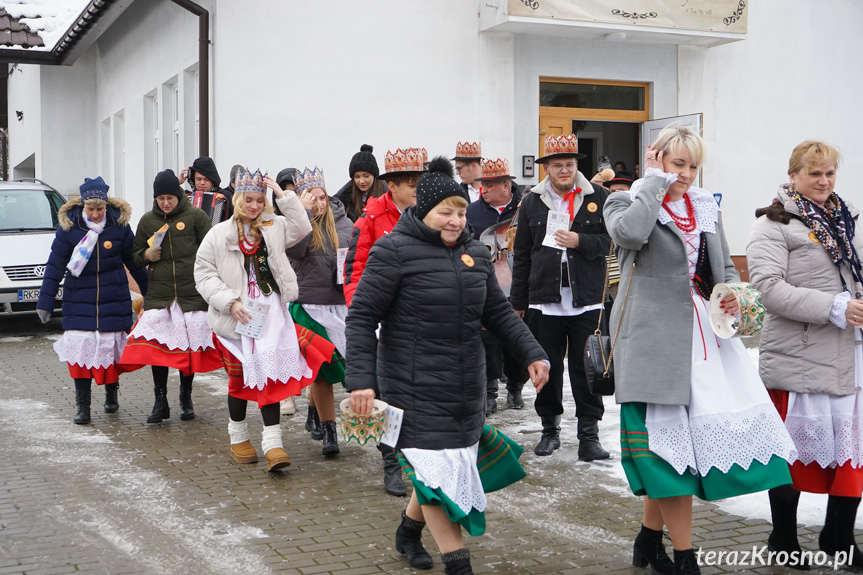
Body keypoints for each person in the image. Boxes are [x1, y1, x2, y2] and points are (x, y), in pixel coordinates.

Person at [605, 126, 796, 575]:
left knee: (679, 451)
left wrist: (731, 292)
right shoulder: (625, 200)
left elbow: (724, 267)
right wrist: (652, 183)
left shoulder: (705, 206)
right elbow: (629, 237)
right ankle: (685, 559)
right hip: (651, 341)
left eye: (693, 166)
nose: (687, 174)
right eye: (678, 164)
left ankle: (649, 542)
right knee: (667, 452)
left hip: (704, 338)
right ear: (656, 161)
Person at [346, 157, 550, 575]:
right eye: (446, 211)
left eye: (461, 210)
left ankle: (407, 531)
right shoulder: (393, 251)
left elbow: (499, 313)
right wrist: (362, 381)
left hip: (464, 387)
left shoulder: (475, 253)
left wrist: (532, 352)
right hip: (412, 385)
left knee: (442, 469)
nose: (456, 220)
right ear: (424, 210)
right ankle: (459, 565)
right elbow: (363, 317)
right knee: (435, 475)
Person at [748, 140, 863, 568]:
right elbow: (769, 289)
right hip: (798, 355)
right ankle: (783, 537)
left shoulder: (847, 220)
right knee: (792, 456)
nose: (824, 181)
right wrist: (834, 307)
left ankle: (839, 537)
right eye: (814, 173)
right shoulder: (773, 224)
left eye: (830, 172)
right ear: (793, 174)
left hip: (848, 354)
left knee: (852, 454)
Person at [194, 169, 334, 472]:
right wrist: (229, 302)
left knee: (270, 374)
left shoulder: (273, 226)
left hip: (270, 312)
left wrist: (285, 196)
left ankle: (273, 444)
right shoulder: (218, 234)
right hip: (236, 314)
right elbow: (203, 274)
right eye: (249, 200)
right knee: (240, 377)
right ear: (239, 199)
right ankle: (239, 436)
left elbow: (301, 227)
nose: (255, 206)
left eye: (260, 200)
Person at [510, 133, 611, 461]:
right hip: (544, 299)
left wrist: (579, 240)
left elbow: (611, 243)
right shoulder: (531, 202)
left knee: (589, 368)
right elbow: (522, 253)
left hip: (588, 299)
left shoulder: (600, 197)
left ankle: (588, 436)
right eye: (557, 165)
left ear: (576, 165)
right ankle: (549, 430)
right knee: (546, 367)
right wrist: (518, 303)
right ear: (547, 168)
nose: (564, 170)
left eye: (569, 164)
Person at [36, 177, 148, 424]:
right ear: (82, 205)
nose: (96, 214)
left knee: (109, 351)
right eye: (91, 209)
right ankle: (83, 406)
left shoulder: (119, 226)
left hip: (113, 296)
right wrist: (45, 301)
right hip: (79, 298)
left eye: (100, 209)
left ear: (106, 206)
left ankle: (111, 394)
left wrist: (150, 293)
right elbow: (55, 265)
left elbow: (133, 262)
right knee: (81, 354)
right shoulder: (69, 228)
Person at [119, 169, 219, 423]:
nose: (165, 202)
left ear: (178, 196)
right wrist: (146, 256)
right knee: (157, 348)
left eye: (169, 197)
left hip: (190, 294)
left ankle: (185, 397)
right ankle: (160, 400)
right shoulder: (147, 221)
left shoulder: (196, 216)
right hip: (160, 295)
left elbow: (212, 249)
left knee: (186, 349)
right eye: (160, 198)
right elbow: (136, 253)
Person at [285, 166, 353, 457]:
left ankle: (314, 412)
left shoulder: (346, 224)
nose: (319, 203)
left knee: (338, 367)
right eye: (312, 198)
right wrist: (305, 215)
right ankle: (330, 431)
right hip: (310, 306)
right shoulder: (297, 225)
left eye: (322, 197)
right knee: (322, 371)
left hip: (339, 305)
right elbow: (295, 251)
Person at [467, 157, 526, 413]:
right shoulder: (472, 212)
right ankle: (489, 391)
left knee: (517, 338)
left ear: (506, 185)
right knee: (487, 339)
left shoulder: (525, 208)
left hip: (519, 285)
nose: (484, 189)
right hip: (486, 286)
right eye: (483, 184)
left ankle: (515, 387)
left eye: (490, 185)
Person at [343, 147, 425, 307]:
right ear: (393, 187)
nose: (418, 190)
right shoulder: (370, 219)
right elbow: (355, 267)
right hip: (384, 307)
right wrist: (357, 308)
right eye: (412, 186)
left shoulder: (430, 216)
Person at [335, 144, 388, 222]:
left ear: (374, 176)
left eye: (366, 176)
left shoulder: (387, 194)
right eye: (357, 177)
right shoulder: (346, 195)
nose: (361, 181)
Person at [179, 157, 232, 222]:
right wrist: (177, 182)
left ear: (213, 180)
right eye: (198, 179)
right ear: (194, 179)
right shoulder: (186, 196)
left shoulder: (225, 196)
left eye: (206, 179)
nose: (202, 183)